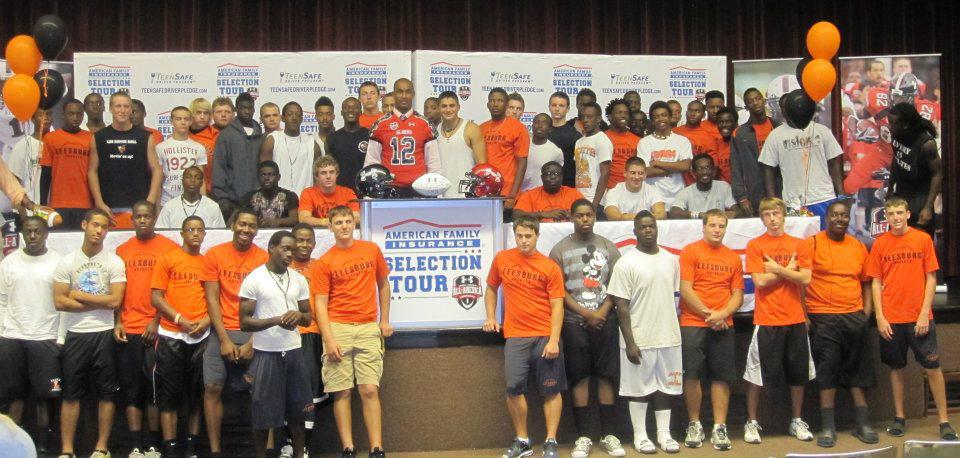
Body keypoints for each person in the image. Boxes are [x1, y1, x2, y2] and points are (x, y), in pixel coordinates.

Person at [866, 197, 957, 440]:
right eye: (891, 214)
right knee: (896, 368)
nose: (895, 217)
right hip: (891, 319)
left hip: (920, 318)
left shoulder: (922, 239)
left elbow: (931, 278)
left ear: (908, 214)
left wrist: (924, 314)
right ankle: (899, 417)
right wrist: (880, 317)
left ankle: (944, 422)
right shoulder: (880, 244)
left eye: (899, 212)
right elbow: (875, 282)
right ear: (886, 217)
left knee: (933, 368)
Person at [312, 206, 392, 458]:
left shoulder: (371, 250)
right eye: (338, 222)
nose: (344, 226)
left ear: (354, 224)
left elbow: (383, 284)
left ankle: (376, 448)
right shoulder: (324, 262)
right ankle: (348, 448)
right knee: (342, 391)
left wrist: (384, 320)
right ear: (330, 226)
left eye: (348, 221)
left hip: (368, 327)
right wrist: (328, 338)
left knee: (369, 389)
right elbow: (320, 304)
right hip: (338, 328)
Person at [548, 201, 625, 458]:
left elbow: (617, 285)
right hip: (574, 322)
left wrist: (601, 312)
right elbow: (558, 291)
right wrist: (585, 313)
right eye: (580, 216)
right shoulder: (559, 250)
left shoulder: (608, 247)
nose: (585, 220)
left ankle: (610, 434)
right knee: (579, 377)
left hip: (606, 319)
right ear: (572, 217)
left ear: (594, 217)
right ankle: (583, 436)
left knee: (606, 376)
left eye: (589, 215)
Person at [484, 215, 566, 458]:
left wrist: (554, 340)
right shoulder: (502, 259)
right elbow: (491, 288)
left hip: (544, 335)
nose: (523, 240)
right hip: (516, 336)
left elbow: (558, 306)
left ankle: (551, 441)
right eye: (519, 236)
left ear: (537, 236)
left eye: (528, 236)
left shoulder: (549, 266)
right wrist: (491, 316)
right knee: (513, 388)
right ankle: (522, 441)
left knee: (551, 389)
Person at [801, 200, 879, 447]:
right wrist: (805, 315)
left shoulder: (858, 246)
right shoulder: (812, 244)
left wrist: (866, 314)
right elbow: (800, 282)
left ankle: (863, 424)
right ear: (827, 218)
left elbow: (866, 282)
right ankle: (828, 427)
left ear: (849, 219)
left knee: (858, 370)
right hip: (822, 317)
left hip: (854, 317)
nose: (839, 219)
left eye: (844, 215)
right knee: (828, 370)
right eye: (835, 215)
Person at [53, 209, 127, 458]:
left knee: (107, 394)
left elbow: (115, 301)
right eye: (95, 225)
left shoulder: (114, 261)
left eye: (104, 227)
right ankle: (67, 450)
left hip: (104, 333)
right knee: (70, 394)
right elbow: (59, 302)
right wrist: (98, 302)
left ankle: (101, 448)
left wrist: (80, 295)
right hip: (76, 333)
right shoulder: (67, 261)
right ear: (84, 225)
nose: (99, 230)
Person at [608, 211, 682, 454]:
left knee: (665, 387)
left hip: (668, 336)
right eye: (642, 227)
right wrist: (630, 342)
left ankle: (664, 434)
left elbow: (673, 296)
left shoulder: (671, 260)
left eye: (651, 226)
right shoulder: (626, 263)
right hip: (639, 338)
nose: (648, 230)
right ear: (635, 232)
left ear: (657, 229)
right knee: (638, 389)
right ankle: (640, 436)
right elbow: (621, 305)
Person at [742, 197, 815, 444]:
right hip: (767, 319)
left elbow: (805, 278)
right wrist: (789, 270)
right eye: (767, 215)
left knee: (798, 373)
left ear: (784, 215)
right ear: (762, 219)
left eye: (776, 213)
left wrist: (777, 269)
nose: (772, 219)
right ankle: (752, 422)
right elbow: (760, 281)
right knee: (756, 374)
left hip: (795, 318)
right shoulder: (755, 245)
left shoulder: (799, 244)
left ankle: (796, 420)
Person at [239, 230, 314, 458]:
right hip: (266, 353)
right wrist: (275, 321)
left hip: (293, 351)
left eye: (293, 250)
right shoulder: (254, 279)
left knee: (298, 413)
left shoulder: (299, 279)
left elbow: (308, 317)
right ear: (271, 248)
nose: (290, 254)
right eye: (285, 248)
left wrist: (298, 316)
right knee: (262, 415)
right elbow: (244, 323)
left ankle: (299, 455)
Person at [201, 208, 269, 457]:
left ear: (257, 230)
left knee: (261, 391)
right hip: (222, 331)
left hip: (254, 332)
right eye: (242, 224)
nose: (246, 230)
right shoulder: (215, 254)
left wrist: (253, 341)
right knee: (212, 387)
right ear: (233, 225)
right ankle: (215, 451)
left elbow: (267, 303)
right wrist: (224, 339)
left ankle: (263, 452)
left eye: (251, 226)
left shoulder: (263, 258)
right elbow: (212, 299)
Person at [115, 201, 178, 457]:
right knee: (132, 391)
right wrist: (117, 321)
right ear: (132, 220)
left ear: (154, 219)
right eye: (138, 216)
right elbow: (116, 290)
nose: (143, 220)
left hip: (157, 329)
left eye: (147, 216)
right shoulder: (122, 250)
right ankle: (135, 446)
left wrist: (157, 320)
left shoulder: (169, 248)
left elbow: (173, 292)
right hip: (128, 328)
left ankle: (153, 445)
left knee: (154, 391)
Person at [678, 209, 744, 451]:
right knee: (692, 375)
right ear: (703, 227)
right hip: (693, 322)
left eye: (721, 226)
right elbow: (686, 289)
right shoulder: (690, 251)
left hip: (724, 323)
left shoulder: (733, 258)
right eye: (713, 225)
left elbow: (738, 295)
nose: (717, 230)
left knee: (721, 376)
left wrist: (723, 314)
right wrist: (710, 315)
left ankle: (719, 427)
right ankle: (694, 424)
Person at [0, 216, 62, 455]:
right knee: (13, 395)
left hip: (45, 337)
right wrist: (2, 332)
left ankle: (43, 448)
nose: (33, 236)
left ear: (46, 234)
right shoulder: (9, 262)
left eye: (37, 231)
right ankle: (12, 446)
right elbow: (2, 299)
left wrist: (60, 337)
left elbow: (63, 303)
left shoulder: (58, 262)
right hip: (12, 337)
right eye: (28, 232)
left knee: (46, 395)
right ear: (23, 234)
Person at [150, 215, 210, 457]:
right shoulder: (168, 259)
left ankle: (191, 448)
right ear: (182, 233)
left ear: (204, 235)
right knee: (168, 397)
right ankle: (171, 448)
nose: (195, 233)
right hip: (171, 334)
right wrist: (179, 319)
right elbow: (156, 298)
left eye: (199, 230)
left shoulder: (208, 263)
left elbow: (215, 299)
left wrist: (205, 322)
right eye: (191, 229)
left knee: (197, 396)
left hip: (200, 336)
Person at [88, 91, 163, 229]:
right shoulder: (99, 137)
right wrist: (99, 202)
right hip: (108, 207)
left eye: (126, 106)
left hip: (138, 208)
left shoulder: (145, 136)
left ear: (130, 110)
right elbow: (92, 171)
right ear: (110, 108)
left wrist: (150, 201)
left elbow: (157, 170)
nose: (122, 110)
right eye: (118, 106)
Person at [760, 99, 843, 221]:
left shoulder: (821, 130)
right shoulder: (775, 135)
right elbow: (768, 168)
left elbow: (834, 163)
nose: (788, 110)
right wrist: (772, 201)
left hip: (824, 196)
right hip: (793, 202)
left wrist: (841, 194)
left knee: (825, 232)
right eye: (784, 107)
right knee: (797, 233)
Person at [363, 78, 439, 197]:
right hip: (388, 189)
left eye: (408, 92)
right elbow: (371, 162)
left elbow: (433, 163)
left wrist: (435, 191)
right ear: (394, 94)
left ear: (413, 94)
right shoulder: (380, 124)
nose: (404, 96)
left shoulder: (425, 124)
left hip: (419, 189)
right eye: (399, 92)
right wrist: (371, 192)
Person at [289, 223, 324, 453]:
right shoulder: (282, 266)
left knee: (309, 392)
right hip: (284, 335)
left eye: (308, 240)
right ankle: (289, 445)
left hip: (311, 334)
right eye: (299, 240)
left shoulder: (320, 266)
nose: (303, 244)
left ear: (314, 243)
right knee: (287, 391)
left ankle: (304, 448)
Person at [886, 103, 942, 236]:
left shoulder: (926, 144)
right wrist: (890, 188)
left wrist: (928, 207)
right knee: (896, 240)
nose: (890, 127)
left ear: (905, 124)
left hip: (920, 199)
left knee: (919, 242)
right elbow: (897, 159)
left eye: (893, 123)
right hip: (901, 195)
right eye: (889, 122)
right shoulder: (896, 135)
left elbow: (938, 174)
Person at [41, 99, 93, 229]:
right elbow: (46, 173)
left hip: (85, 203)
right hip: (59, 203)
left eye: (79, 114)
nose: (75, 117)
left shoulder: (92, 138)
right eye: (71, 113)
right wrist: (43, 204)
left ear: (83, 115)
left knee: (83, 239)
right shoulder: (51, 138)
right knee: (60, 240)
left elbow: (96, 172)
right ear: (63, 114)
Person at [212, 92, 264, 220]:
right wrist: (222, 198)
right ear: (236, 109)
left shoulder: (261, 136)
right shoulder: (226, 135)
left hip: (259, 201)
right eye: (243, 108)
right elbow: (219, 167)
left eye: (249, 108)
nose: (246, 111)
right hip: (232, 202)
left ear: (254, 110)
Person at [730, 87, 779, 217]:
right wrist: (742, 198)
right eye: (750, 101)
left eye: (758, 99)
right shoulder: (739, 133)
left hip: (780, 189)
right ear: (746, 107)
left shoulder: (778, 127)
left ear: (764, 101)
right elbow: (736, 168)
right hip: (755, 194)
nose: (755, 103)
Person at [637, 101, 693, 207]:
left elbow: (686, 166)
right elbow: (645, 171)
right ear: (652, 121)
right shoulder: (644, 142)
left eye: (664, 115)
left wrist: (657, 163)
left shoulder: (682, 141)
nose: (661, 119)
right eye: (656, 117)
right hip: (652, 199)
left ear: (670, 117)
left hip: (678, 198)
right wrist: (676, 167)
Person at [481, 88, 530, 207]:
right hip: (485, 191)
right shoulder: (480, 128)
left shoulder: (518, 128)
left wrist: (512, 195)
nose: (495, 104)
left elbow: (522, 163)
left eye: (500, 100)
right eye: (492, 100)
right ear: (488, 104)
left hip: (507, 192)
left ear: (506, 105)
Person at [260, 102, 318, 194]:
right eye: (290, 114)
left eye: (298, 115)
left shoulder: (311, 142)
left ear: (302, 119)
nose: (294, 118)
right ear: (283, 118)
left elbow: (318, 176)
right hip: (278, 198)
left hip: (305, 198)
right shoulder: (273, 139)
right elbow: (264, 173)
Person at [437, 91, 486, 197]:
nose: (448, 110)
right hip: (441, 195)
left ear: (458, 107)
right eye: (444, 106)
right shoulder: (434, 131)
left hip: (467, 195)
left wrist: (478, 194)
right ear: (439, 108)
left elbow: (482, 167)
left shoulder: (471, 129)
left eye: (452, 106)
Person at [155, 106, 208, 207]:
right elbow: (158, 181)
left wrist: (203, 205)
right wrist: (157, 208)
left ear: (191, 121)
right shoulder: (160, 147)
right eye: (178, 119)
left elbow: (201, 179)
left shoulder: (199, 148)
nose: (183, 122)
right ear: (171, 121)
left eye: (186, 119)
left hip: (192, 201)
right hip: (167, 201)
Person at [669, 154, 738, 220]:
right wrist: (700, 215)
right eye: (700, 168)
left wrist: (732, 214)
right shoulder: (686, 192)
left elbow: (737, 211)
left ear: (713, 170)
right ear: (694, 172)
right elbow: (674, 213)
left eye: (707, 168)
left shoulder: (723, 187)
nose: (704, 172)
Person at [157, 166, 226, 229]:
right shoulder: (169, 207)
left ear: (201, 183)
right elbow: (160, 233)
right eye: (188, 177)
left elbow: (220, 234)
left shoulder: (213, 207)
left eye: (197, 178)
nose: (192, 180)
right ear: (182, 181)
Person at [513, 161, 584, 222]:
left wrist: (574, 215)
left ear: (562, 177)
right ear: (542, 177)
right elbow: (515, 215)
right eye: (548, 174)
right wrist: (542, 214)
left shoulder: (573, 194)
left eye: (556, 174)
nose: (553, 177)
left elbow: (587, 211)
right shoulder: (530, 195)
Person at [299, 156, 359, 228]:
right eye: (323, 173)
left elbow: (357, 218)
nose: (328, 176)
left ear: (337, 174)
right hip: (318, 232)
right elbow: (303, 219)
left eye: (332, 172)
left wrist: (335, 222)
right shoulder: (308, 193)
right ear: (316, 176)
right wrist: (326, 222)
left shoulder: (348, 193)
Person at [236, 160, 299, 228]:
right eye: (263, 175)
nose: (266, 178)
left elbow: (294, 219)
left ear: (278, 177)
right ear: (258, 177)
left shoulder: (289, 196)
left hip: (281, 233)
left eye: (271, 174)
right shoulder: (248, 197)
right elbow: (234, 219)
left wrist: (275, 222)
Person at [573, 102, 612, 210]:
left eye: (589, 117)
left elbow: (605, 173)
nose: (585, 120)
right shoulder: (579, 142)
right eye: (583, 117)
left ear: (598, 119)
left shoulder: (602, 140)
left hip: (596, 200)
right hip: (579, 198)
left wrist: (595, 204)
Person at [326, 97, 370, 192]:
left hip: (365, 190)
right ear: (342, 112)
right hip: (339, 192)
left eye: (355, 107)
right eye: (347, 107)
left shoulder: (369, 136)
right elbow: (328, 167)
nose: (350, 110)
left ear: (361, 112)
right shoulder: (332, 138)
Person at [9, 108, 52, 204]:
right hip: (29, 207)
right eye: (41, 115)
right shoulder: (23, 145)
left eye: (48, 114)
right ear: (33, 119)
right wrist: (21, 204)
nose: (46, 118)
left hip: (54, 207)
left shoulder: (57, 144)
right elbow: (14, 180)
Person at [604, 157, 666, 221]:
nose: (637, 177)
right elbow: (612, 215)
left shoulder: (653, 191)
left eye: (640, 173)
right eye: (633, 173)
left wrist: (633, 218)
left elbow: (661, 215)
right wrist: (642, 218)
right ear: (625, 173)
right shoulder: (614, 192)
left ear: (645, 175)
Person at [673, 100, 718, 183]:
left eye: (697, 111)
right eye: (690, 110)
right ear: (686, 112)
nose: (693, 114)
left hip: (695, 184)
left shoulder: (708, 138)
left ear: (703, 115)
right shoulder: (674, 132)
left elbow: (713, 167)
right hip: (674, 182)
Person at [546, 91, 582, 188]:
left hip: (568, 187)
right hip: (544, 186)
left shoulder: (575, 136)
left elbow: (580, 166)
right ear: (549, 107)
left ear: (568, 109)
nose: (557, 109)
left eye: (561, 106)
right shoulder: (541, 132)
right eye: (554, 105)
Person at [521, 114, 563, 192]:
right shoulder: (522, 144)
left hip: (541, 195)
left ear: (550, 129)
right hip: (521, 194)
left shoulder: (556, 151)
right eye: (537, 122)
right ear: (532, 126)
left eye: (544, 123)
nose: (540, 126)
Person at [604, 98, 640, 189]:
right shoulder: (602, 138)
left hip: (631, 189)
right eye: (619, 113)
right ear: (610, 117)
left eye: (626, 113)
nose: (623, 115)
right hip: (608, 189)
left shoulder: (638, 140)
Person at [189, 98, 220, 195]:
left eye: (206, 113)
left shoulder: (217, 136)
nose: (202, 116)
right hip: (185, 188)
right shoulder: (183, 134)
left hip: (211, 189)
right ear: (192, 114)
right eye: (198, 113)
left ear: (210, 116)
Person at [712, 107, 738, 183]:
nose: (724, 125)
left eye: (728, 122)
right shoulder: (715, 144)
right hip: (723, 188)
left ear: (736, 123)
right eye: (720, 122)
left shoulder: (743, 142)